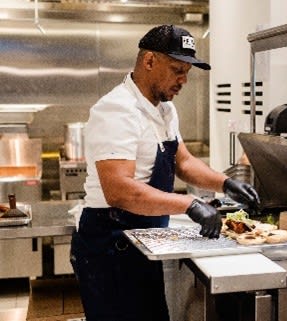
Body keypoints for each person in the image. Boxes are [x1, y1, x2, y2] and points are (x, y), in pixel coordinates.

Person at [70, 24, 260, 321]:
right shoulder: (117, 110)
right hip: (109, 244)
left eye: (187, 72)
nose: (183, 80)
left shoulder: (164, 109)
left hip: (142, 239)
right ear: (149, 61)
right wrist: (190, 204)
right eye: (177, 70)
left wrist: (226, 183)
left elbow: (182, 162)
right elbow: (119, 190)